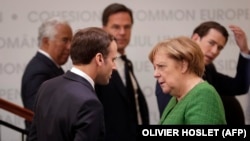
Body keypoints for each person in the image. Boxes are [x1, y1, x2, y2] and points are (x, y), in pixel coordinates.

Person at [28, 27, 118, 141]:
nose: (114, 67)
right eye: (113, 60)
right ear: (99, 58)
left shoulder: (46, 87)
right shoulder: (89, 103)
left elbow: (33, 138)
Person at [156, 21, 250, 125]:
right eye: (211, 43)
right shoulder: (170, 75)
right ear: (196, 38)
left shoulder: (209, 70)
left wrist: (244, 50)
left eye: (219, 48)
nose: (215, 51)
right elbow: (171, 119)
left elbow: (239, 86)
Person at [94, 3, 149, 141]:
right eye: (116, 27)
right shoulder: (97, 65)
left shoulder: (126, 63)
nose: (123, 32)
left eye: (127, 27)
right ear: (104, 29)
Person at [149, 36, 226, 124]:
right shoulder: (176, 98)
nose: (155, 74)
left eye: (161, 66)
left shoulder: (204, 94)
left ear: (183, 65)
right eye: (155, 68)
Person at [21, 17, 73, 132]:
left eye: (71, 41)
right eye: (65, 40)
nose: (70, 47)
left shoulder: (51, 67)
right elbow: (39, 114)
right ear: (46, 41)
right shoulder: (39, 71)